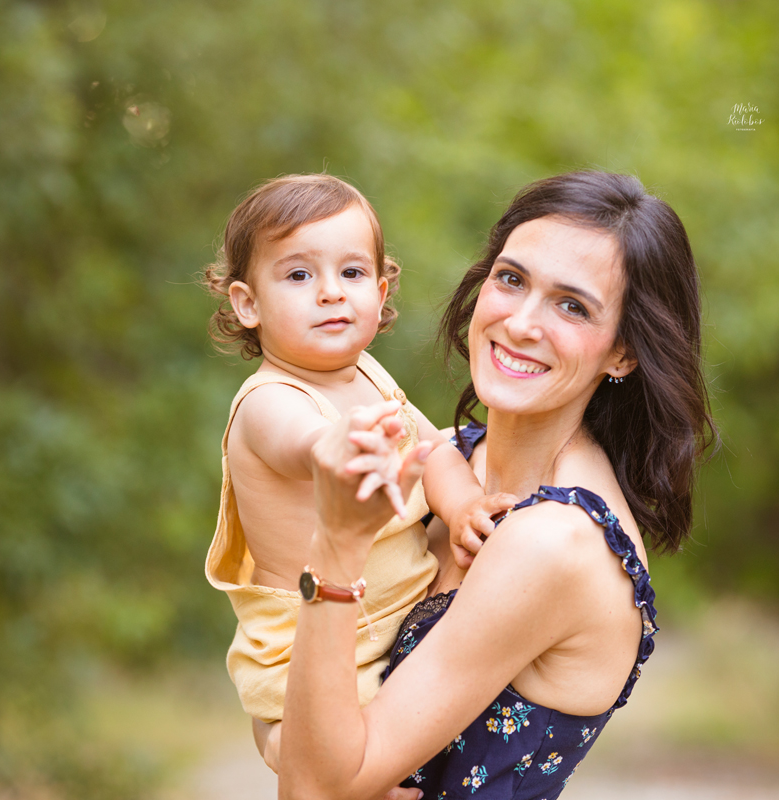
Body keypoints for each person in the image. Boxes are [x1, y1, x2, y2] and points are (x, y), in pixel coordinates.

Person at [278, 171, 716, 800]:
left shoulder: (555, 541)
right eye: (511, 280)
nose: (520, 323)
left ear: (622, 353)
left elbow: (314, 789)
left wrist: (337, 546)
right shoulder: (453, 462)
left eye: (572, 305)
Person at [201, 174, 515, 767]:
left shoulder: (369, 374)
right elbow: (305, 443)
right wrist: (334, 448)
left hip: (391, 618)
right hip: (313, 642)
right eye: (299, 275)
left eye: (351, 273)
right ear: (248, 303)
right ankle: (284, 751)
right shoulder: (267, 400)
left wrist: (466, 506)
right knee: (333, 753)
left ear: (380, 286)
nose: (330, 293)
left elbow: (436, 452)